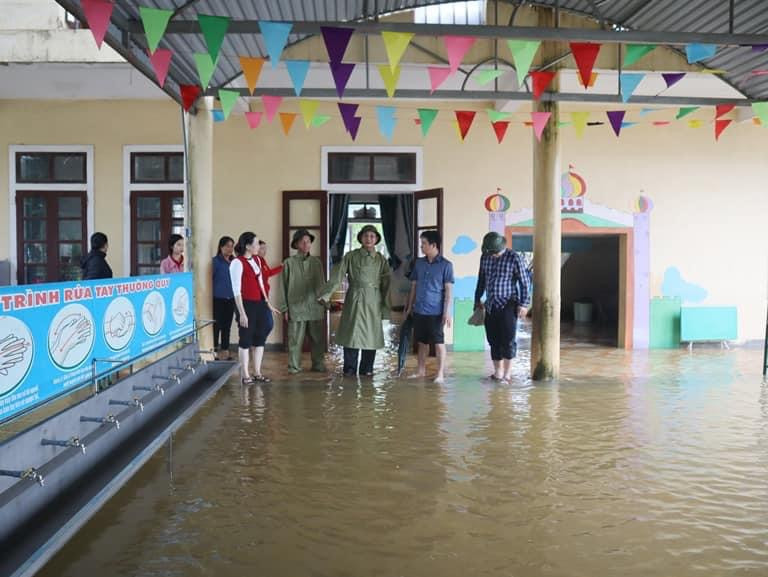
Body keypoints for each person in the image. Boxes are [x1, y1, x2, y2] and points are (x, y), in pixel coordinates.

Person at [318, 225, 390, 377]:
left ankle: (367, 369)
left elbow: (386, 284)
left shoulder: (381, 260)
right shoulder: (351, 256)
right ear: (361, 238)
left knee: (371, 336)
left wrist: (385, 307)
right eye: (366, 236)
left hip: (373, 300)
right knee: (352, 334)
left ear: (376, 239)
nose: (369, 239)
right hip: (355, 298)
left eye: (372, 236)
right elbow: (337, 277)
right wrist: (326, 295)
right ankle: (349, 369)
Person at [473, 232, 531, 383]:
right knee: (493, 339)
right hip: (491, 304)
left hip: (509, 304)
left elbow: (525, 283)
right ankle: (497, 373)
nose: (493, 255)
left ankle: (507, 374)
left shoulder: (514, 257)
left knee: (508, 340)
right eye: (490, 253)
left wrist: (524, 304)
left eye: (495, 253)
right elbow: (482, 279)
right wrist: (477, 299)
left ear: (502, 248)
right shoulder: (485, 257)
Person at [404, 230, 454, 383]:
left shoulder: (446, 265)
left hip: (436, 312)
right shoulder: (419, 263)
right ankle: (421, 371)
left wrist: (447, 312)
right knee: (422, 343)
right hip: (419, 310)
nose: (421, 246)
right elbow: (413, 287)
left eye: (424, 243)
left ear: (433, 245)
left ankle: (440, 374)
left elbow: (448, 291)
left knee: (439, 343)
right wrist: (408, 307)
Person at [230, 232, 279, 383]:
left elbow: (261, 284)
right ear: (248, 246)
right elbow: (236, 290)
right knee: (245, 338)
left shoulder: (257, 259)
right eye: (257, 244)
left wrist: (268, 303)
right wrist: (242, 313)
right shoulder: (237, 263)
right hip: (245, 304)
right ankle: (245, 374)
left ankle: (257, 372)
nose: (259, 246)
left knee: (261, 335)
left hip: (260, 303)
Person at [281, 229, 326, 374]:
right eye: (302, 241)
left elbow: (322, 284)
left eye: (308, 241)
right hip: (296, 307)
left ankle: (318, 365)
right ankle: (294, 367)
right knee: (294, 341)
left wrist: (326, 303)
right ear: (296, 244)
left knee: (318, 340)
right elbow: (283, 286)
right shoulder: (288, 263)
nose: (306, 244)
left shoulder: (317, 263)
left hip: (315, 307)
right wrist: (284, 308)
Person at [212, 235, 235, 361]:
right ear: (221, 247)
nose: (230, 249)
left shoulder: (234, 262)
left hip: (231, 299)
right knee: (216, 326)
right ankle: (214, 352)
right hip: (217, 299)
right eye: (227, 246)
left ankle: (226, 351)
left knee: (227, 326)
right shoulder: (215, 262)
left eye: (232, 246)